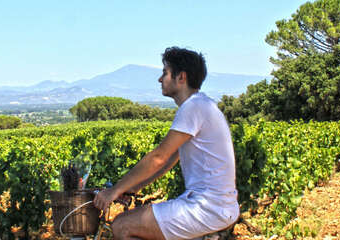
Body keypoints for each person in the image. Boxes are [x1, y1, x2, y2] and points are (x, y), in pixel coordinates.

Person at [93, 47, 239, 240]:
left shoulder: (192, 107)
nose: (160, 79)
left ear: (181, 77)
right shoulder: (202, 104)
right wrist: (135, 187)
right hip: (217, 206)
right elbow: (170, 159)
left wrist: (115, 190)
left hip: (206, 208)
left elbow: (158, 157)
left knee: (122, 225)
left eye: (165, 73)